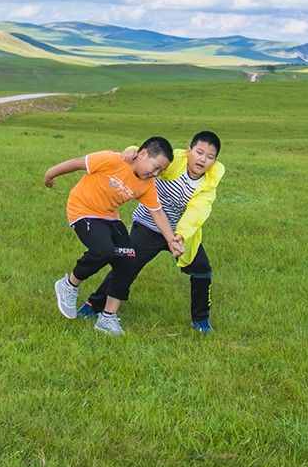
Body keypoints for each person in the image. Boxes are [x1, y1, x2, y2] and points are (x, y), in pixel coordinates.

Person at [78, 131, 225, 334]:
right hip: (148, 225)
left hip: (179, 235)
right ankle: (94, 305)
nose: (202, 159)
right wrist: (130, 150)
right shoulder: (173, 161)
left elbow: (197, 212)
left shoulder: (208, 184)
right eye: (199, 152)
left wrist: (179, 236)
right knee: (127, 264)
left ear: (215, 161)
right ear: (189, 150)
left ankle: (201, 321)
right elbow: (146, 156)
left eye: (210, 157)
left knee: (202, 270)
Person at [42, 137, 184, 336]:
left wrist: (171, 240)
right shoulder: (112, 160)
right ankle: (69, 285)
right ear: (142, 154)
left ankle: (107, 318)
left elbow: (157, 212)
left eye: (160, 171)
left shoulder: (147, 184)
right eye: (155, 167)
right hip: (83, 210)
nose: (155, 173)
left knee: (129, 258)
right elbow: (76, 163)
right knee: (104, 251)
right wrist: (50, 174)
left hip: (109, 217)